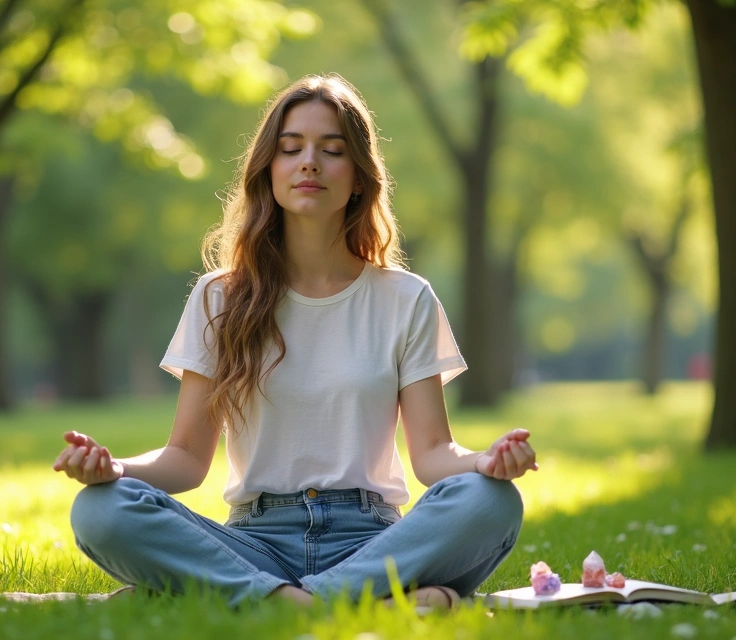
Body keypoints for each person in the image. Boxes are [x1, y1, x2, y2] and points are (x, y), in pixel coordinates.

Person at [54, 74, 538, 609]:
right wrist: (115, 469)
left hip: (372, 540)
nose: (309, 162)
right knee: (100, 509)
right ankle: (357, 601)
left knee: (489, 501)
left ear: (358, 178)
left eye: (332, 151)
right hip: (253, 541)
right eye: (291, 149)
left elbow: (431, 455)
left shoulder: (406, 298)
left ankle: (266, 602)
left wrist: (485, 462)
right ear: (270, 170)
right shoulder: (220, 296)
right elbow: (186, 459)